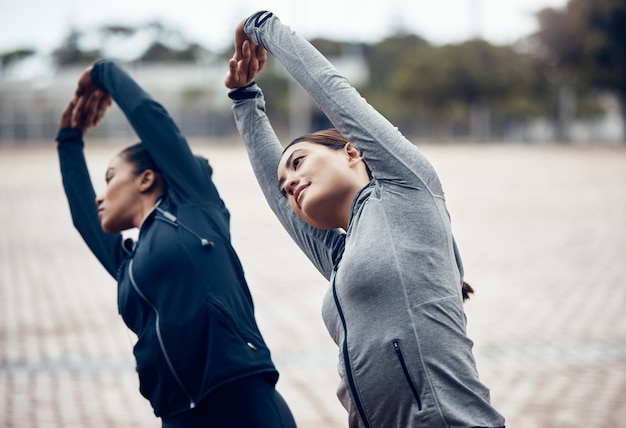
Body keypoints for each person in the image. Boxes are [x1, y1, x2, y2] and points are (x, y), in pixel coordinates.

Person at [225, 11, 506, 428]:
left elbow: (335, 93)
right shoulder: (340, 257)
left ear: (353, 152)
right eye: (288, 186)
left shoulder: (406, 191)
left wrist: (260, 26)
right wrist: (244, 98)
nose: (292, 184)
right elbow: (274, 188)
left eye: (299, 162)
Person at [56, 59, 296, 428]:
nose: (100, 197)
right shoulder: (128, 266)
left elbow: (150, 118)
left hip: (241, 400)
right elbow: (84, 219)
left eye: (110, 178)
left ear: (146, 179)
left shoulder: (194, 206)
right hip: (178, 415)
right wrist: (68, 139)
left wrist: (100, 74)